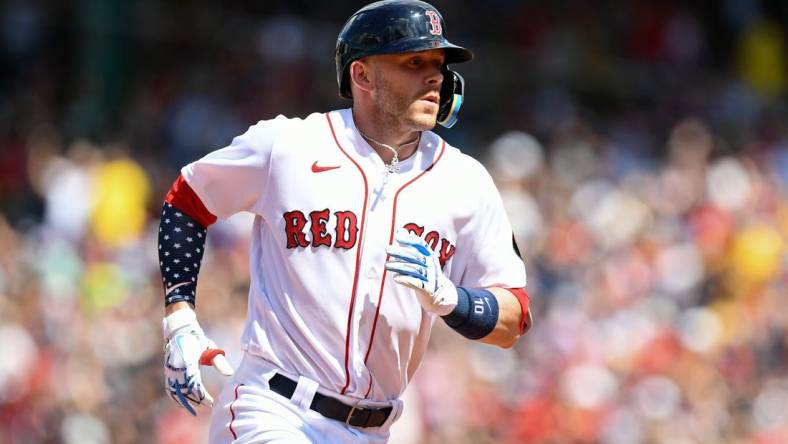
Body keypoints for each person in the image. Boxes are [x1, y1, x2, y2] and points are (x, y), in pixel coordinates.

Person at [159, 1, 532, 442]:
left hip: (377, 428)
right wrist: (179, 317)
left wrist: (454, 299)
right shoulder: (287, 146)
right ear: (362, 75)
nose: (435, 76)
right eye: (414, 62)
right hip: (274, 408)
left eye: (438, 63)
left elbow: (515, 317)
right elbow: (187, 199)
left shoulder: (466, 181)